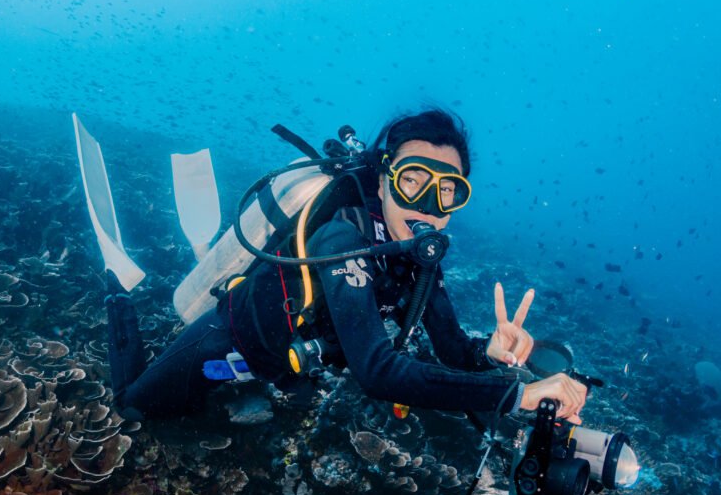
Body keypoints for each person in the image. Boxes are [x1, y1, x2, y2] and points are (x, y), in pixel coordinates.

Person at [104, 109, 588, 428]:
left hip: (285, 365)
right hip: (229, 338)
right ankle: (118, 293)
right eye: (413, 180)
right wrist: (516, 396)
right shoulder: (342, 237)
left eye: (447, 191)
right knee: (133, 408)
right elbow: (379, 371)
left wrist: (488, 352)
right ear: (381, 182)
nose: (427, 206)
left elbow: (453, 350)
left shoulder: (419, 258)